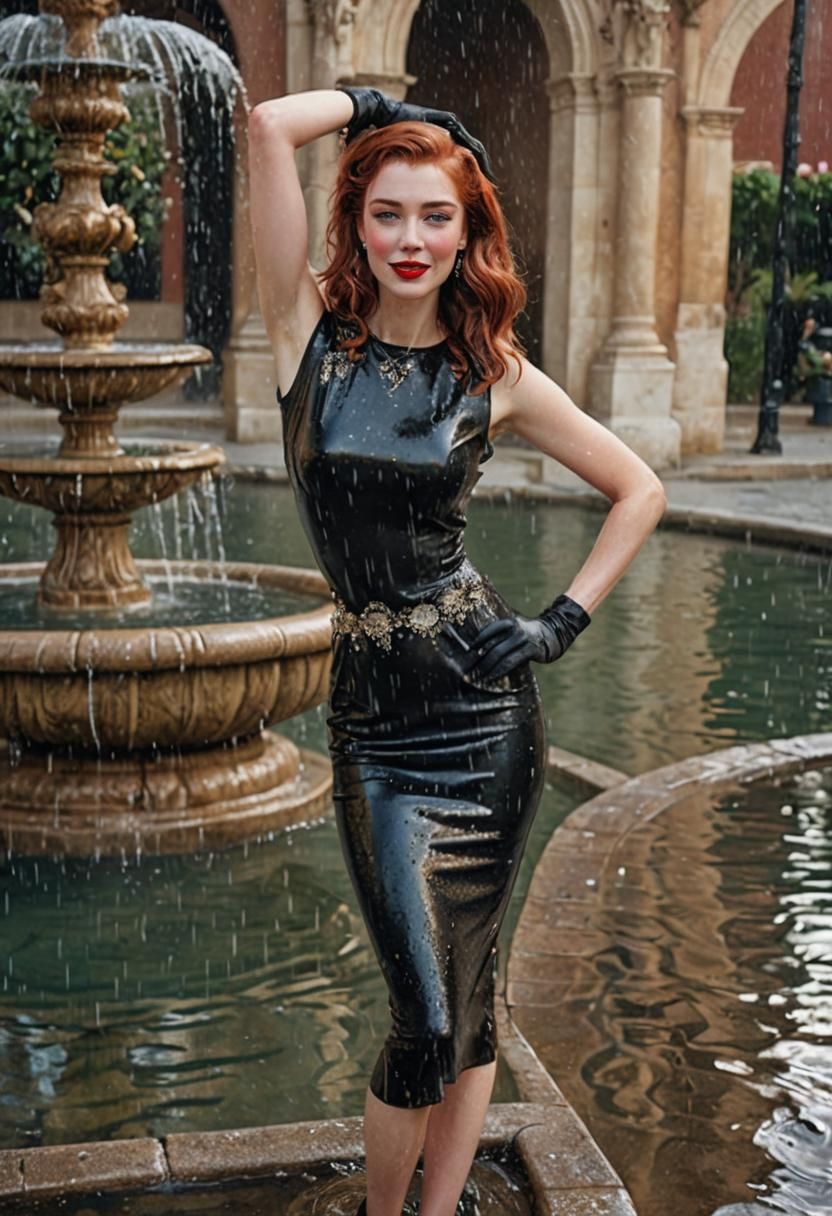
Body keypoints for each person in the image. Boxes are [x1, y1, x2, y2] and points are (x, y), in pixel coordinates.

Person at [248, 87, 667, 1216]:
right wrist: (377, 104)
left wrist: (557, 623)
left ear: (466, 231)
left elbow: (638, 489)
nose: (411, 239)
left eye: (437, 216)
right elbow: (268, 126)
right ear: (355, 222)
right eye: (387, 213)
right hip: (377, 729)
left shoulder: (495, 374)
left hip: (487, 720)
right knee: (422, 1015)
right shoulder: (305, 339)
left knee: (469, 998)